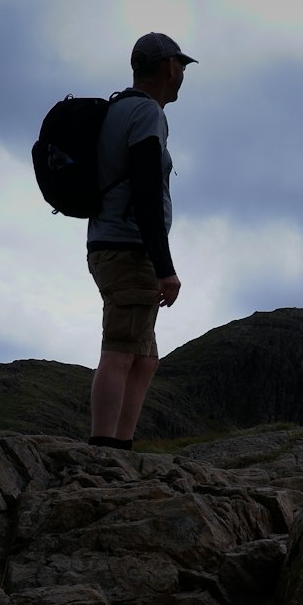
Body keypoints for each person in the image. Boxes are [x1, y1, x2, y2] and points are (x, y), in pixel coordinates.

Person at [86, 31, 197, 448]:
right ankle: (104, 450)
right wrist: (165, 269)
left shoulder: (118, 110)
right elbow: (147, 191)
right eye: (182, 66)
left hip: (113, 244)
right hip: (128, 248)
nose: (183, 74)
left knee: (144, 356)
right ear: (169, 67)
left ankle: (121, 447)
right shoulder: (147, 115)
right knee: (120, 349)